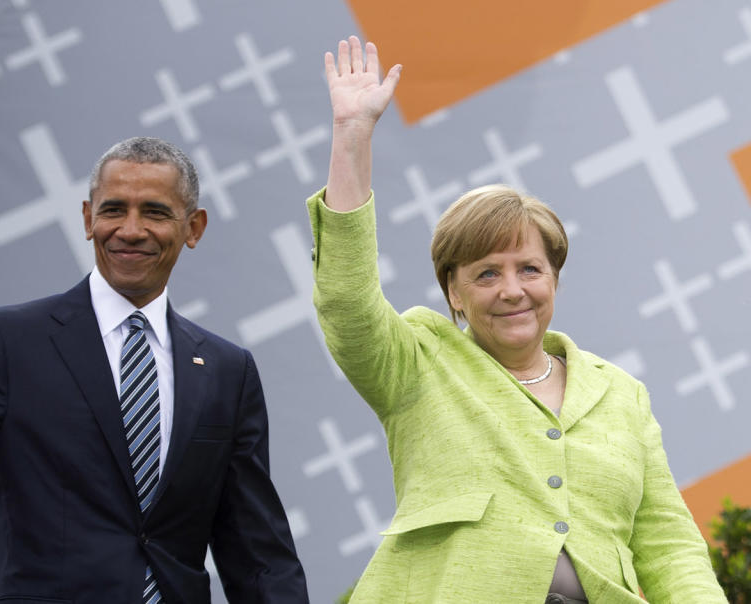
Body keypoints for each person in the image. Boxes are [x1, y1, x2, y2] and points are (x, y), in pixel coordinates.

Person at [308, 36, 727, 603]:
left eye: (529, 269)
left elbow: (668, 545)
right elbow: (346, 302)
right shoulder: (419, 363)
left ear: (553, 278)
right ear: (452, 292)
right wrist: (352, 136)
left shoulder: (620, 394)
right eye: (485, 274)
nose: (512, 291)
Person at [0, 137, 309, 604]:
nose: (131, 229)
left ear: (194, 227)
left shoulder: (227, 370)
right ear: (87, 218)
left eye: (156, 212)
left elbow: (256, 547)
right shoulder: (6, 342)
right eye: (113, 209)